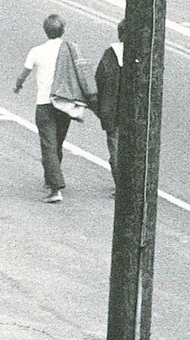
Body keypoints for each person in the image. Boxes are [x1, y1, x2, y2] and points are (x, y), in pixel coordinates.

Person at [11, 14, 95, 205]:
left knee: (48, 145)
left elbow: (24, 73)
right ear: (63, 30)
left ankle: (55, 187)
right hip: (64, 102)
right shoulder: (70, 49)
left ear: (45, 30)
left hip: (45, 104)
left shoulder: (36, 51)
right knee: (57, 143)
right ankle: (51, 179)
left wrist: (18, 85)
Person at [92, 32, 129, 183]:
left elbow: (99, 80)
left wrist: (99, 107)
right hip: (132, 110)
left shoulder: (110, 55)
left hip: (113, 108)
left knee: (115, 145)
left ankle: (120, 183)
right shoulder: (140, 53)